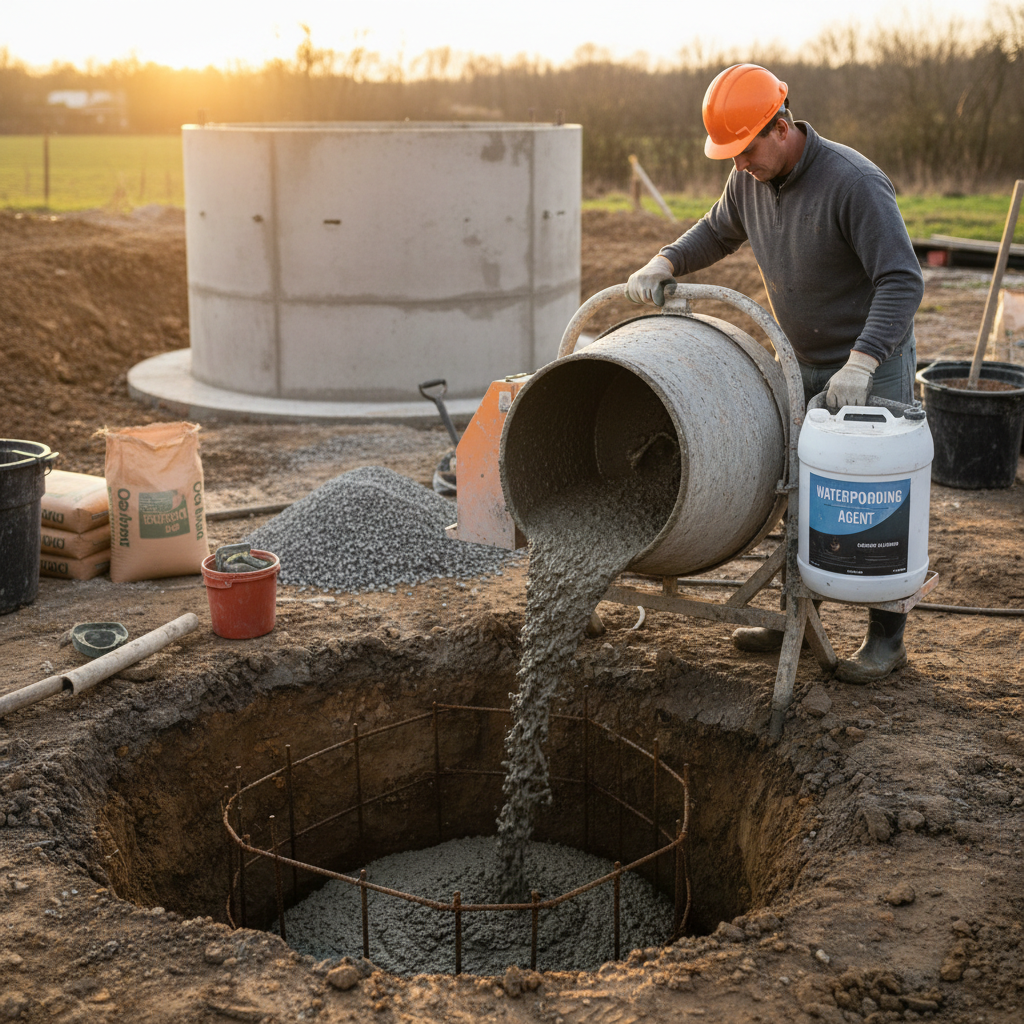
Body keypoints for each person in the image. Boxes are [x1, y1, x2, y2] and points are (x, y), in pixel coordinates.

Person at [625, 63, 924, 684]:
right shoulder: (749, 183)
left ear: (781, 126)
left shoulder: (854, 184)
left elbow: (902, 280)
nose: (738, 165)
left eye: (746, 151)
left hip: (872, 360)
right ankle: (795, 615)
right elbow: (717, 229)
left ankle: (887, 638)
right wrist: (666, 259)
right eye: (729, 156)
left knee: (881, 492)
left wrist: (863, 362)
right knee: (800, 487)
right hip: (800, 359)